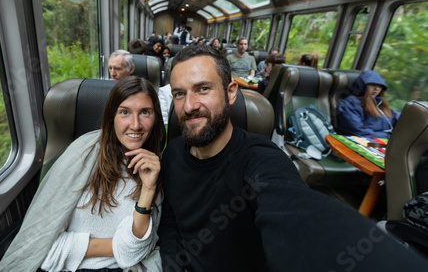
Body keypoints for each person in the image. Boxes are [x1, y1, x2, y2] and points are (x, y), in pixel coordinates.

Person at [157, 45, 428, 271]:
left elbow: (292, 209)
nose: (189, 105)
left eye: (203, 89)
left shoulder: (260, 159)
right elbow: (171, 223)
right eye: (179, 94)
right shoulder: (171, 155)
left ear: (230, 93)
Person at [0, 76, 166, 272]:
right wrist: (120, 245)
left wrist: (148, 188)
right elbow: (43, 249)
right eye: (125, 112)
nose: (135, 125)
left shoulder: (156, 168)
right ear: (112, 116)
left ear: (155, 118)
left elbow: (134, 254)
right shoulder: (81, 152)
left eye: (145, 112)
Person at [338, 70, 400, 138]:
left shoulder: (379, 104)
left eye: (379, 86)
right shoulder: (351, 103)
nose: (376, 88)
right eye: (373, 85)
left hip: (382, 141)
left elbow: (399, 118)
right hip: (363, 141)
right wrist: (387, 136)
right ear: (363, 86)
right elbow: (357, 130)